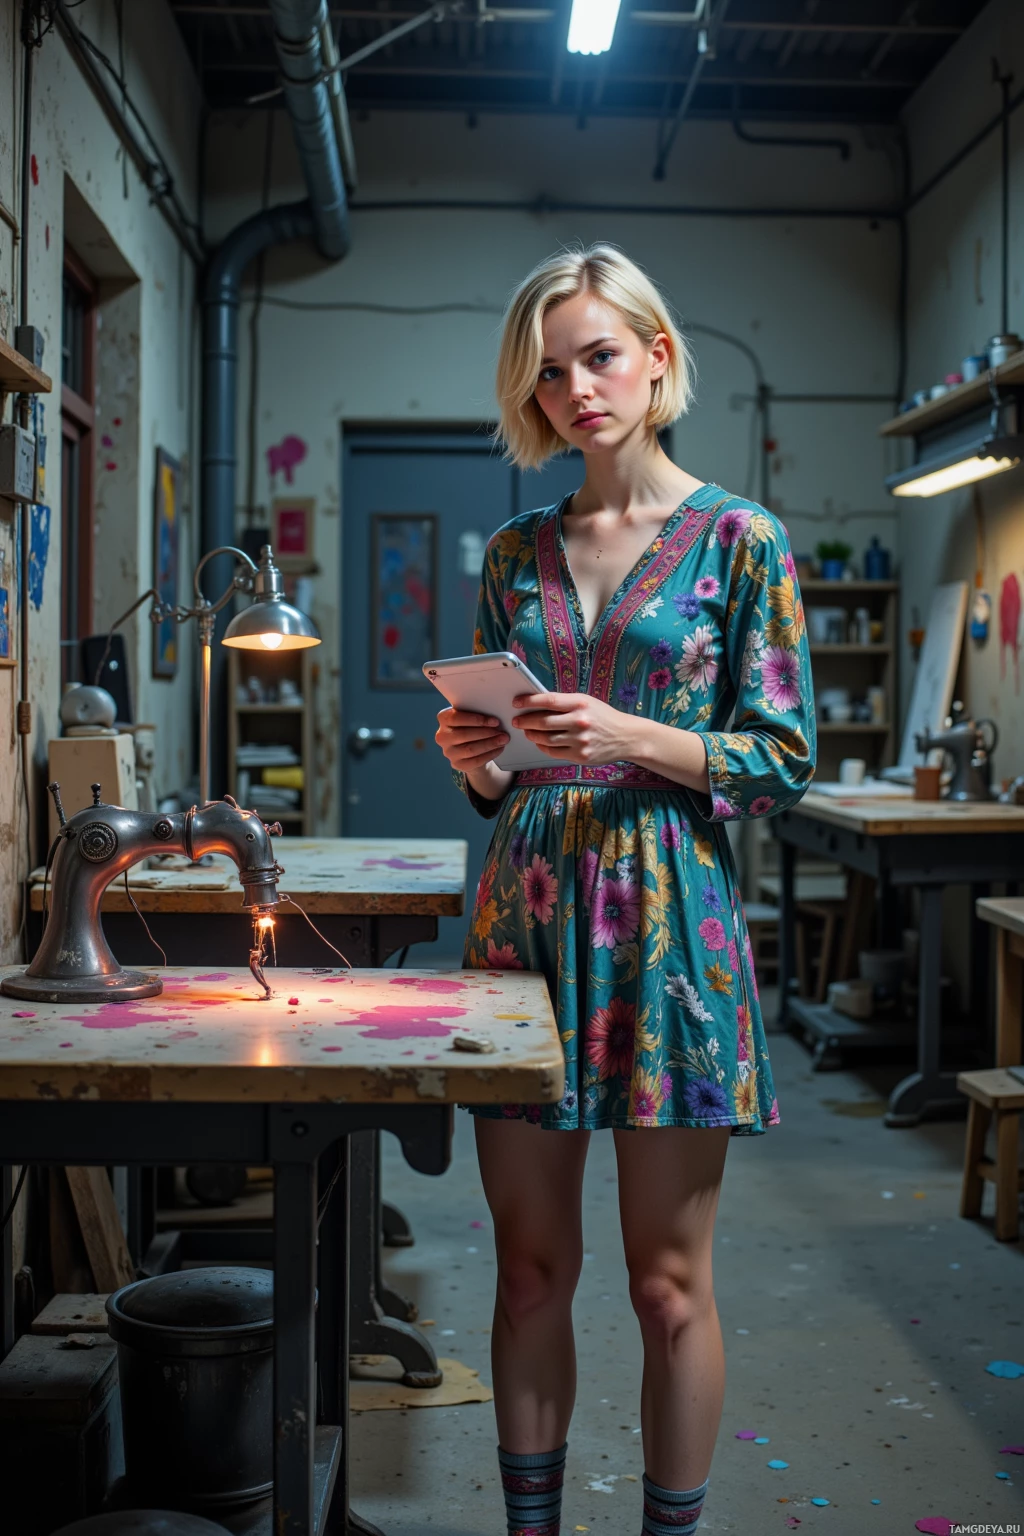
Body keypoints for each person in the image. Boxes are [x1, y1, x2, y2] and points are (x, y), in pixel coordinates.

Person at [434, 243, 815, 1536]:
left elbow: (781, 758)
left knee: (668, 1286)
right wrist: (478, 767)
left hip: (673, 931)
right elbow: (505, 769)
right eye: (549, 371)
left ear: (658, 356)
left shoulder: (742, 541)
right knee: (532, 1272)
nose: (576, 389)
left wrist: (633, 736)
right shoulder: (512, 547)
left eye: (599, 355)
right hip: (524, 923)